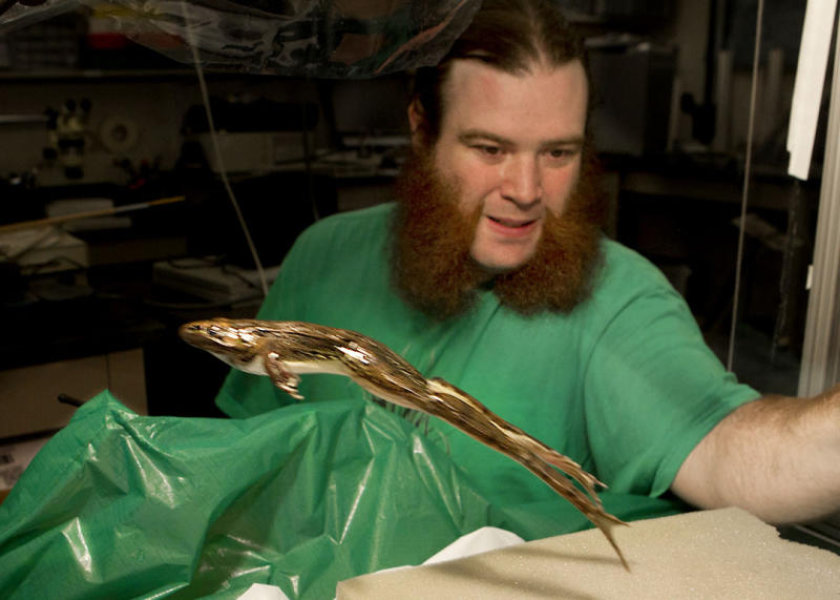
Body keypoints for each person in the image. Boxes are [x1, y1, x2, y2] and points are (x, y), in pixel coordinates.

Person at [217, 0, 840, 527]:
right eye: (490, 148)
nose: (526, 188)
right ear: (419, 127)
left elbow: (731, 450)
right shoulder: (324, 253)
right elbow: (245, 463)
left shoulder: (618, 295)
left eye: (558, 152)